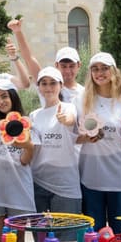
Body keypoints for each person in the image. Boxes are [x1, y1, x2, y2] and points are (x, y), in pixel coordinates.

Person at [76, 52, 121, 232]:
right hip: (91, 176)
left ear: (113, 72)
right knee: (94, 235)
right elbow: (74, 137)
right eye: (95, 69)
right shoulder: (82, 101)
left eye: (104, 68)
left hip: (119, 178)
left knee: (120, 234)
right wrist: (87, 137)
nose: (99, 73)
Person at [0, 79, 36, 242]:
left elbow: (25, 160)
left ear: (13, 97)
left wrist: (28, 146)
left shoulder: (27, 123)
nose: (0, 102)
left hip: (19, 191)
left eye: (4, 96)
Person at [29, 67, 81, 215]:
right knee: (41, 237)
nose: (48, 87)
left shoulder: (69, 108)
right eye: (44, 83)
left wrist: (66, 120)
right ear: (38, 87)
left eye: (53, 83)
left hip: (65, 186)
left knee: (67, 236)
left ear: (61, 85)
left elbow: (70, 119)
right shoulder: (34, 115)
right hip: (38, 183)